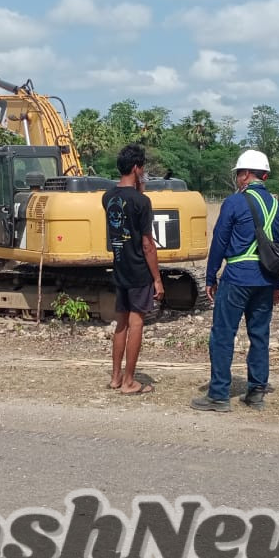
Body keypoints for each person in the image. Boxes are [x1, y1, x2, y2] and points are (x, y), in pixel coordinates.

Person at [191, 149, 279, 412]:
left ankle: (219, 395)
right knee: (259, 335)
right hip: (266, 281)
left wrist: (211, 276)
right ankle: (256, 392)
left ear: (246, 174)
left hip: (237, 278)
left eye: (238, 174)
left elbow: (220, 240)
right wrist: (277, 287)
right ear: (264, 175)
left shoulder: (235, 203)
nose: (237, 178)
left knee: (223, 335)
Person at [102, 144, 164, 396]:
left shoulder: (107, 197)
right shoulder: (142, 201)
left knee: (121, 324)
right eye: (143, 168)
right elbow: (147, 244)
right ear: (137, 168)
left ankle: (116, 377)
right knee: (137, 323)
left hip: (119, 267)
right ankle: (130, 381)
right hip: (139, 270)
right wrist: (157, 279)